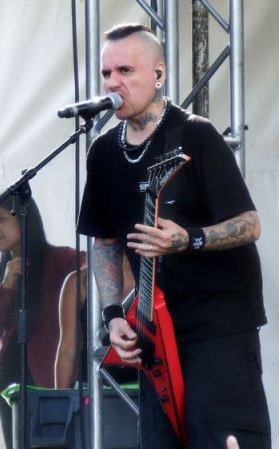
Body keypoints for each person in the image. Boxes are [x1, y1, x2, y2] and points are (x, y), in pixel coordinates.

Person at [77, 23, 271, 449]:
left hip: (218, 325)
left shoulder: (196, 135)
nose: (113, 83)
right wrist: (113, 317)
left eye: (126, 70)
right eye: (107, 73)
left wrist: (189, 239)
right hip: (155, 332)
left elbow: (249, 223)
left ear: (159, 74)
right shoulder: (103, 153)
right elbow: (105, 244)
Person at [0, 196, 81, 449]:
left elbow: (99, 267)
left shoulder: (60, 259)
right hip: (9, 386)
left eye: (0, 219)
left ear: (25, 218)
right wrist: (5, 287)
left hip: (50, 380)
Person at [55, 255, 134, 389]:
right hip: (94, 388)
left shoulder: (154, 279)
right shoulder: (80, 281)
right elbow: (67, 348)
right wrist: (61, 399)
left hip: (144, 387)